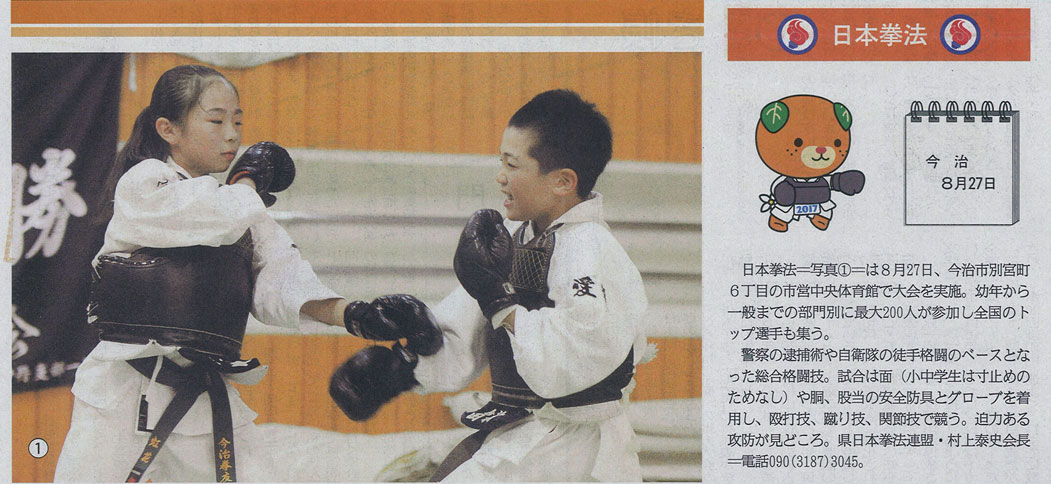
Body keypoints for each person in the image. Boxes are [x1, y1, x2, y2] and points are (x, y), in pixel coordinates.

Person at [54, 64, 441, 483]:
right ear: (169, 129)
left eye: (238, 122)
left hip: (203, 397)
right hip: (120, 395)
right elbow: (208, 216)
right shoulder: (145, 183)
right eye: (216, 120)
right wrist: (247, 182)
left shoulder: (242, 208)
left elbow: (281, 280)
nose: (232, 135)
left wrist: (356, 315)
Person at [330, 89, 651, 481]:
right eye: (501, 161)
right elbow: (470, 330)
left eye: (512, 165)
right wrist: (403, 367)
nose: (500, 176)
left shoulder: (593, 251)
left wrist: (501, 302)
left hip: (573, 449)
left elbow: (570, 365)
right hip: (526, 434)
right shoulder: (517, 236)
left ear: (563, 182)